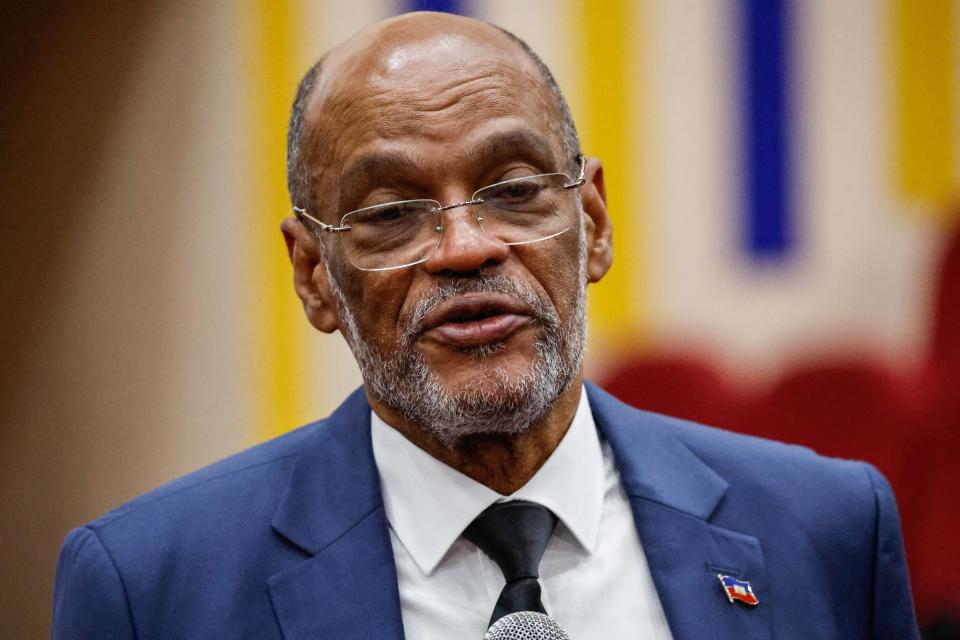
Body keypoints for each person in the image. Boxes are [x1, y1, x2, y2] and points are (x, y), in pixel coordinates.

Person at [52, 11, 920, 639]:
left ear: (594, 223)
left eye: (512, 190)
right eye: (392, 211)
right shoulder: (152, 589)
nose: (466, 248)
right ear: (314, 275)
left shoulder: (827, 530)